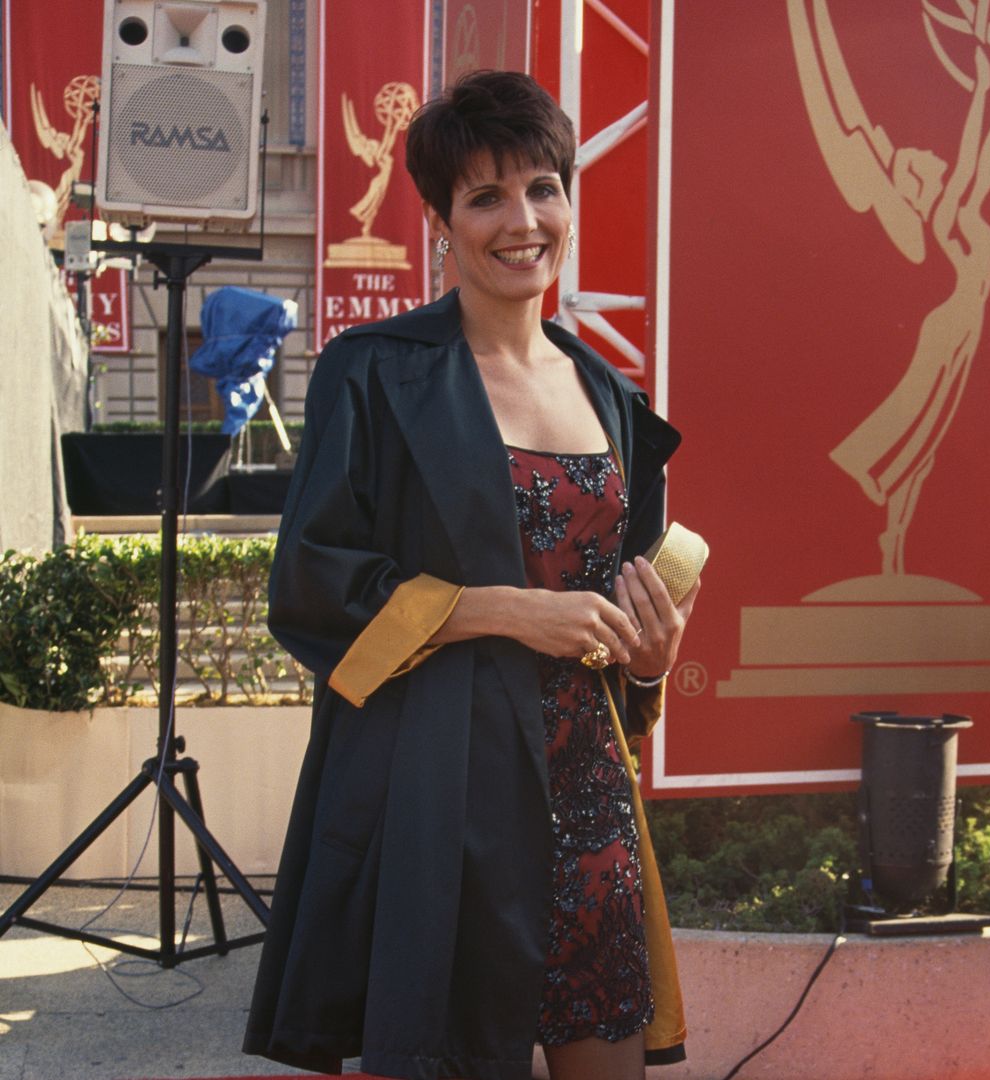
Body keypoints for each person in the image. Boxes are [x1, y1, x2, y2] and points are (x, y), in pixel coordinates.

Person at [243, 70, 701, 1080]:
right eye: (485, 196)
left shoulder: (611, 396)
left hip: (587, 796)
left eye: (543, 187)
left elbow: (618, 636)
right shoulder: (374, 373)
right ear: (443, 221)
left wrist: (652, 661)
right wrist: (503, 611)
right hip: (442, 797)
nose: (521, 220)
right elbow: (312, 583)